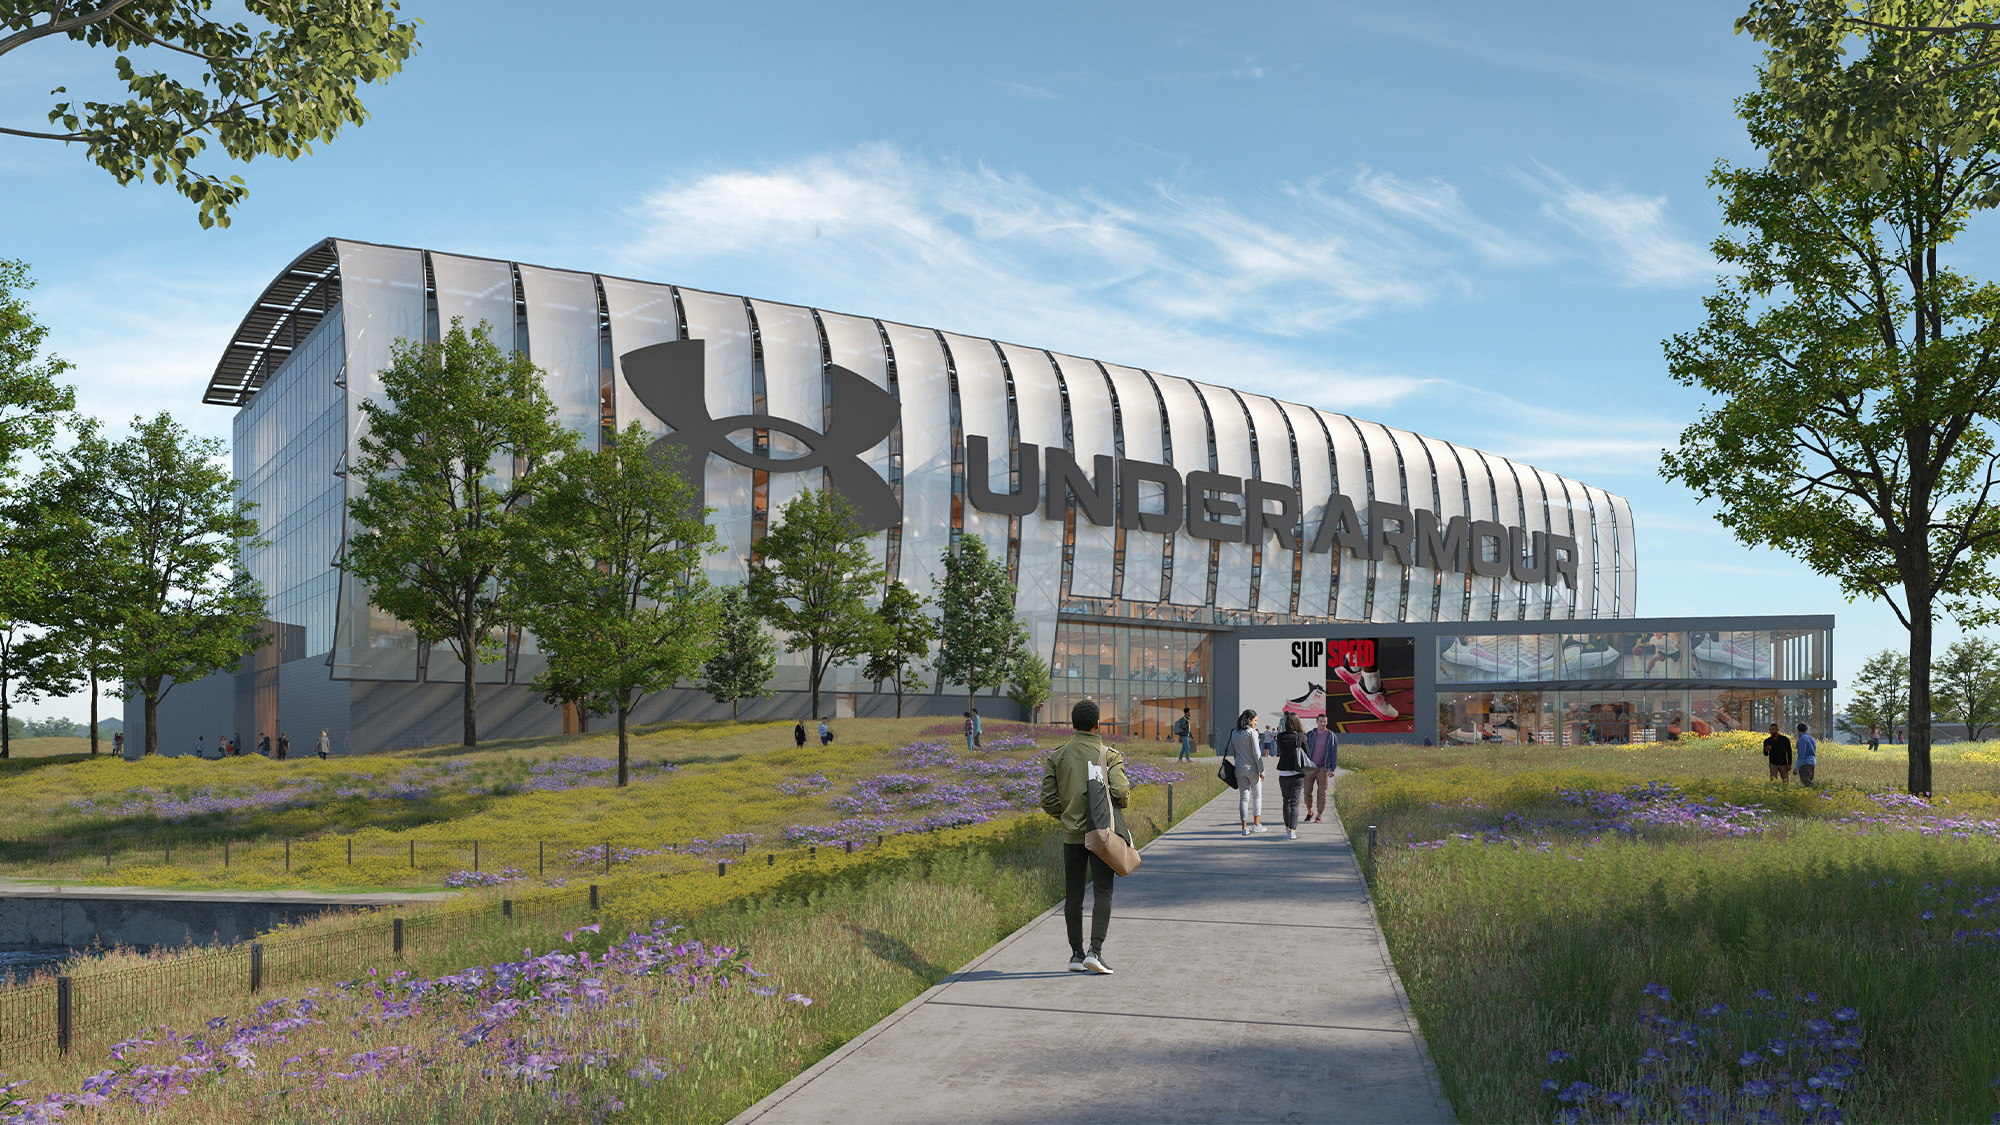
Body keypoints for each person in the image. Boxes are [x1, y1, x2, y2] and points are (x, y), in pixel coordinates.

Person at [1039, 698, 1126, 975]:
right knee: (1103, 891)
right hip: (1101, 835)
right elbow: (1121, 792)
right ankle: (1095, 952)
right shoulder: (1109, 755)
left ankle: (1076, 955)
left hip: (1072, 836)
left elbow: (1047, 800)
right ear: (1097, 724)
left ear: (1073, 725)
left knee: (1073, 896)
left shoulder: (1057, 756)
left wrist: (1068, 816)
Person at [1229, 710, 1267, 835]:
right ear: (1249, 720)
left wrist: (1238, 763)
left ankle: (1244, 827)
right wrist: (1262, 770)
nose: (1256, 723)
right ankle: (1256, 825)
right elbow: (1257, 753)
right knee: (1257, 796)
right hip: (1253, 769)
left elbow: (1234, 751)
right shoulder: (1252, 733)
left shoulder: (1234, 732)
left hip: (1239, 768)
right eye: (1255, 720)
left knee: (1244, 798)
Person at [1274, 714, 1309, 840]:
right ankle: (1293, 831)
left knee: (1286, 801)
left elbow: (1279, 752)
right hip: (1297, 773)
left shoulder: (1280, 736)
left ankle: (1287, 827)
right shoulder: (1300, 736)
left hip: (1283, 774)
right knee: (1295, 803)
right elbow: (1308, 754)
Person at [1302, 714, 1338, 824]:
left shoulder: (1331, 736)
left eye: (1325, 721)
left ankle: (1319, 815)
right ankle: (1310, 811)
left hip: (1323, 767)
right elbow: (1303, 750)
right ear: (1316, 722)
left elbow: (1334, 753)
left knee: (1322, 792)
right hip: (1310, 767)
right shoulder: (1310, 734)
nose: (1323, 723)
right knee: (1307, 791)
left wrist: (1332, 768)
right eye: (1321, 721)